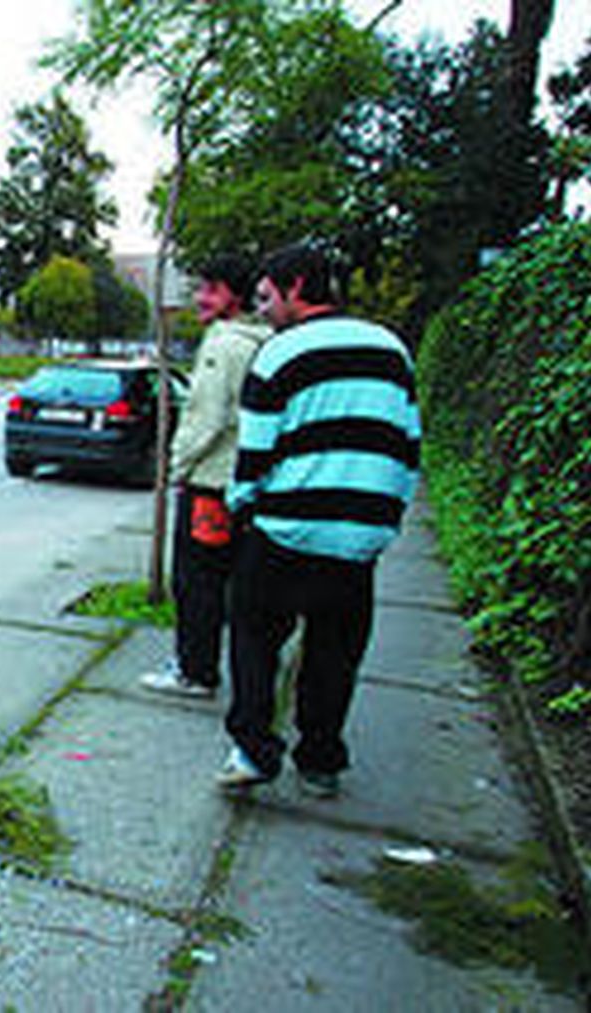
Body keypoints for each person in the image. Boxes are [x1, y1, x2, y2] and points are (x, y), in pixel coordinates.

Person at [217, 243, 421, 797]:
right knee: (336, 650)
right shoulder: (392, 350)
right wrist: (387, 516)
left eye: (268, 297)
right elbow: (409, 444)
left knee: (254, 635)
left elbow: (255, 450)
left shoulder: (280, 353)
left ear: (297, 287)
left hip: (287, 526)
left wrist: (242, 504)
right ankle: (320, 760)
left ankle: (254, 749)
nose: (264, 310)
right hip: (360, 534)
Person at [139, 254, 270, 699]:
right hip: (240, 481)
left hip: (210, 483)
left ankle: (195, 671)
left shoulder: (224, 344)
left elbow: (206, 418)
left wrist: (175, 467)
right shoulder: (261, 341)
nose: (200, 298)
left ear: (235, 296)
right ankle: (223, 672)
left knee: (196, 581)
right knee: (229, 581)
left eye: (211, 290)